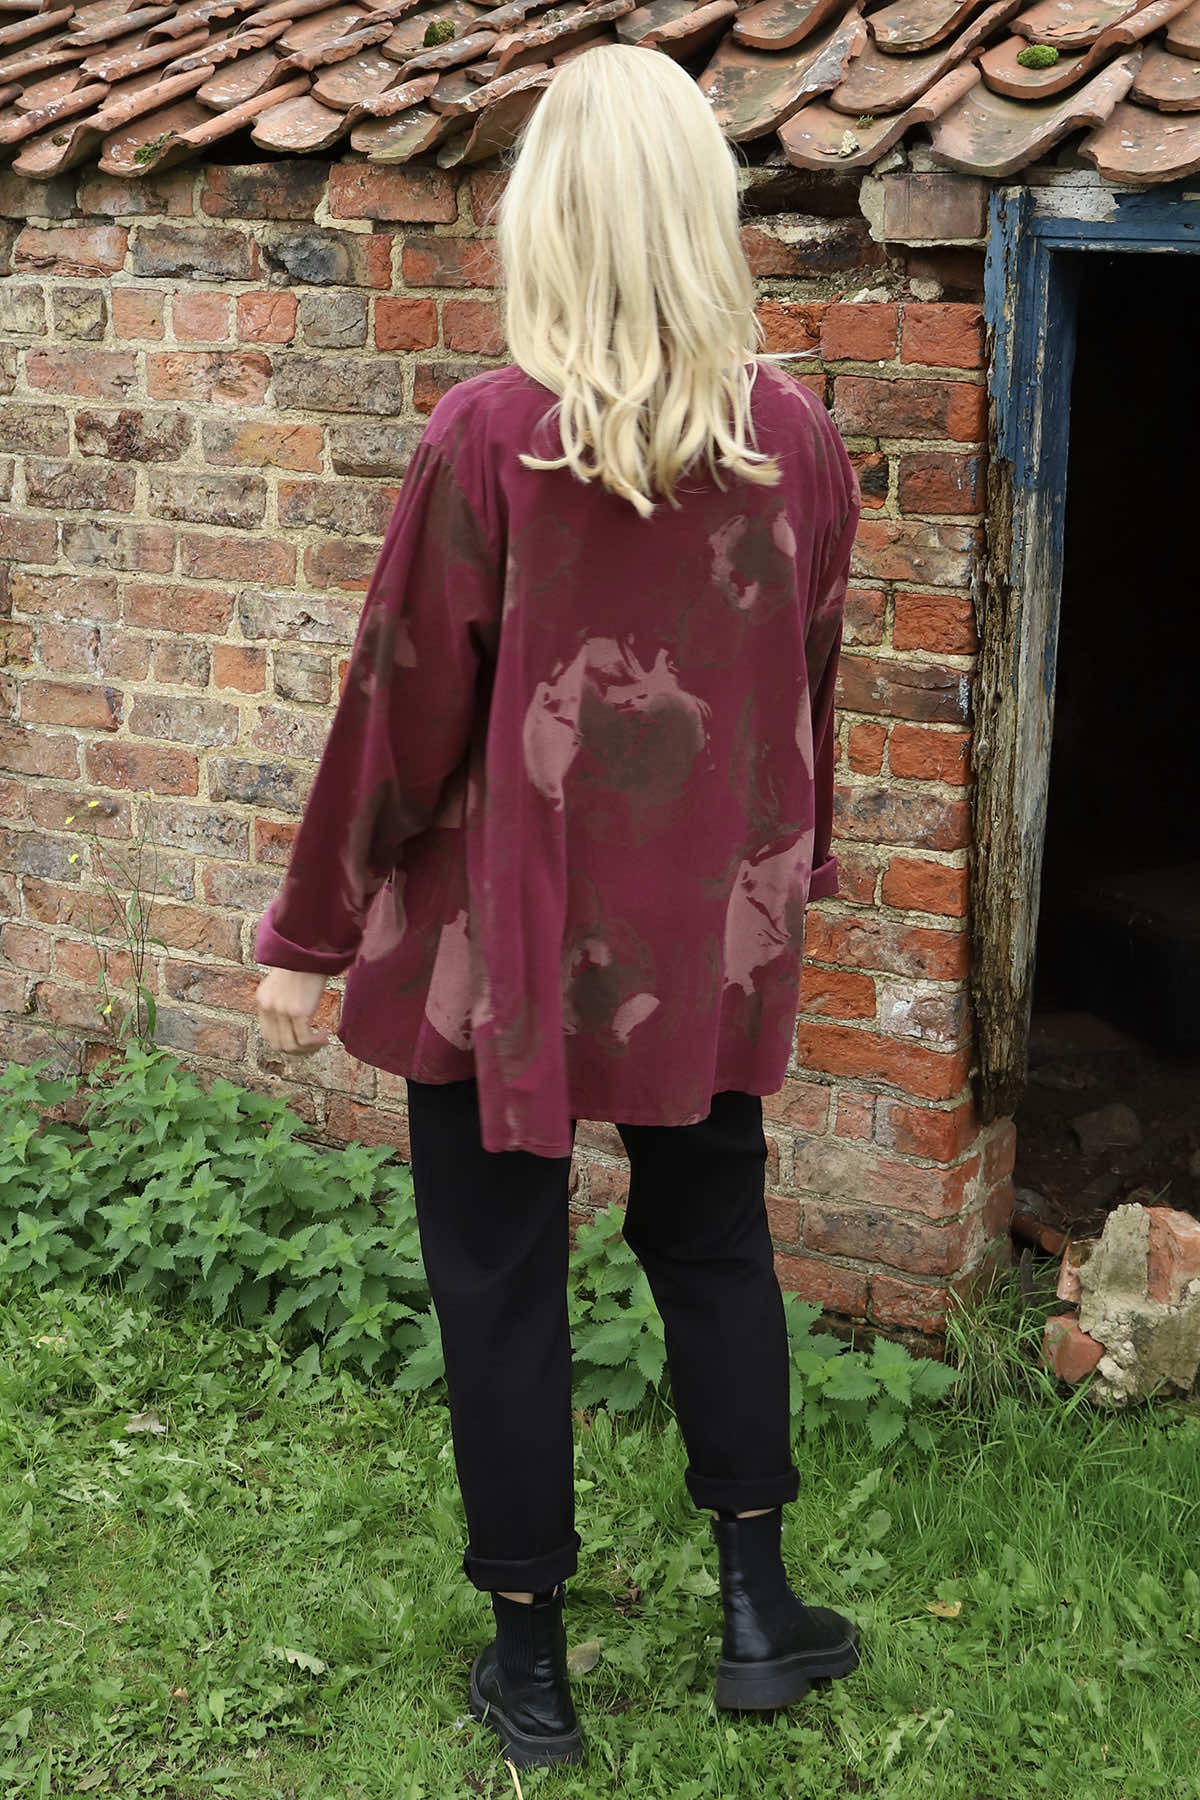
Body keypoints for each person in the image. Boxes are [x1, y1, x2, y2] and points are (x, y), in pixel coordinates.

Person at [254, 41, 862, 1772]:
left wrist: (308, 938)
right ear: (703, 212)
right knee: (716, 1236)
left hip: (498, 948)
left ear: (549, 216)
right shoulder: (796, 440)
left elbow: (396, 708)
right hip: (703, 941)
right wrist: (790, 880)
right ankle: (758, 1612)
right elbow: (802, 693)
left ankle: (532, 1673)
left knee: (498, 1274)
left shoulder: (489, 438)